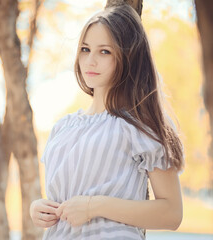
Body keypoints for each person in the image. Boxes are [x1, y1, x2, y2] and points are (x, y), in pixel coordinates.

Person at [29, 4, 184, 240]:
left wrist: (94, 207)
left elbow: (172, 213)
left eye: (104, 52)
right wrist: (40, 209)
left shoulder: (141, 125)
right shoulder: (62, 128)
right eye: (85, 49)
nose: (90, 61)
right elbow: (65, 196)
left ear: (128, 57)